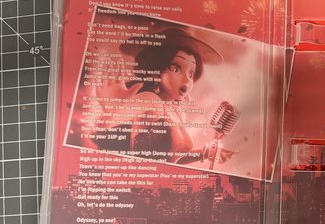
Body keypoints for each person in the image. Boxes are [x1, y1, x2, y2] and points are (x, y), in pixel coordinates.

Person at [69, 27, 226, 166]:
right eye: (176, 69)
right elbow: (103, 127)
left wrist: (205, 153)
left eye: (191, 74)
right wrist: (112, 107)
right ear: (156, 68)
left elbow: (170, 159)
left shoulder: (177, 111)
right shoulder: (149, 99)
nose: (186, 80)